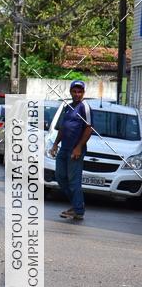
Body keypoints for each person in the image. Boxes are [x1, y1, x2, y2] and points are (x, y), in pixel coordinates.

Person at [49, 80, 92, 222]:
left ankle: (78, 210)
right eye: (75, 91)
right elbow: (63, 127)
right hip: (64, 148)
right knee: (60, 177)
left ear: (83, 93)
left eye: (80, 91)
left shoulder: (84, 107)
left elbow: (88, 128)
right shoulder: (68, 106)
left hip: (75, 149)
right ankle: (76, 204)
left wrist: (79, 147)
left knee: (74, 181)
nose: (77, 94)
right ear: (71, 91)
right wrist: (55, 144)